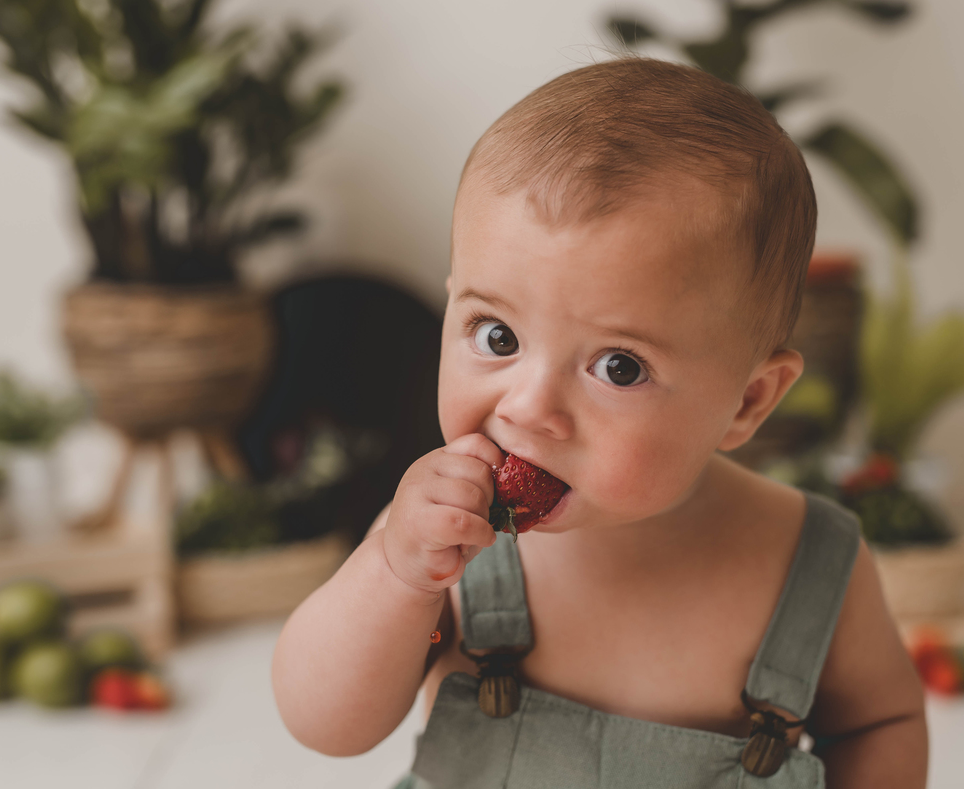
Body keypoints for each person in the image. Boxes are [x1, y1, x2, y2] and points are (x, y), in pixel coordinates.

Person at [272, 57, 927, 788]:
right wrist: (396, 577)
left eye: (619, 367)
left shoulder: (805, 559)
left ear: (748, 401)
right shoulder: (443, 543)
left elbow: (879, 722)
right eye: (497, 336)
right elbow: (324, 722)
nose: (527, 408)